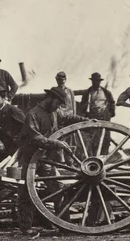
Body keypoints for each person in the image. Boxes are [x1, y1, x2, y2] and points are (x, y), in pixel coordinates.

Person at [16, 87, 87, 231]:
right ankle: (25, 227)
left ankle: (65, 226)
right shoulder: (33, 115)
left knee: (59, 190)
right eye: (58, 103)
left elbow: (69, 118)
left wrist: (87, 121)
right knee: (26, 192)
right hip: (30, 159)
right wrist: (56, 143)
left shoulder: (54, 112)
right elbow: (36, 138)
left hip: (46, 160)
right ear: (50, 99)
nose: (58, 106)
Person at [0, 86, 26, 162]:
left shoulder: (13, 110)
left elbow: (26, 125)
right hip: (3, 144)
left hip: (15, 144)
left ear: (3, 98)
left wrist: (18, 139)